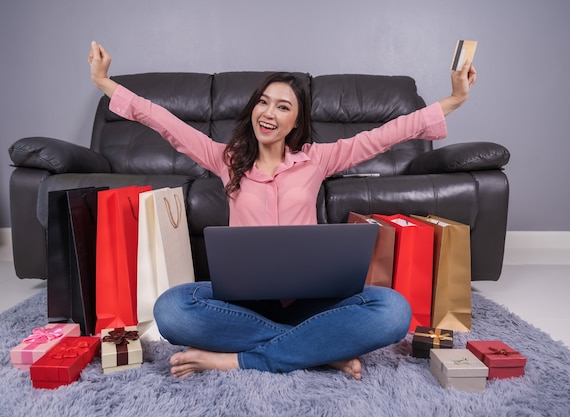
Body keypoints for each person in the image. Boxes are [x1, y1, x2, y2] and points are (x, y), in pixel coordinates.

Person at [88, 41, 477, 380]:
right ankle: (321, 352)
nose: (268, 112)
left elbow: (387, 134)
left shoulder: (317, 160)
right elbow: (164, 121)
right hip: (243, 304)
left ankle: (237, 360)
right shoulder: (226, 159)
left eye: (282, 106)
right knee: (171, 310)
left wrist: (454, 100)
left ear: (295, 121)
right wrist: (107, 83)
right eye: (263, 101)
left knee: (393, 311)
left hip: (310, 302)